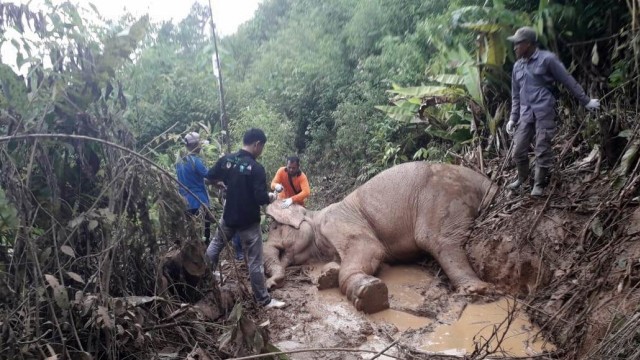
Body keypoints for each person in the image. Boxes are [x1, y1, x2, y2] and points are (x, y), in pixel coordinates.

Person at [505, 26, 600, 196]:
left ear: (528, 44)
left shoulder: (547, 59)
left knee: (542, 148)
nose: (515, 48)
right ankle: (522, 178)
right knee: (518, 150)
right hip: (526, 114)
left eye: (518, 44)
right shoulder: (517, 67)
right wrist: (513, 118)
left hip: (544, 110)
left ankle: (539, 184)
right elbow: (515, 95)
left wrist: (586, 101)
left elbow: (568, 80)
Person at [205, 128, 285, 309]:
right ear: (257, 144)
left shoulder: (227, 160)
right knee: (255, 261)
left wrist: (220, 184)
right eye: (262, 147)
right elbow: (259, 197)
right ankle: (263, 300)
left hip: (229, 216)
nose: (261, 150)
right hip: (249, 221)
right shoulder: (256, 168)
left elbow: (208, 178)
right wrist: (271, 197)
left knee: (215, 246)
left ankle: (204, 280)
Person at [176, 132, 212, 241]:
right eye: (199, 144)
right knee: (205, 233)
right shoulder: (196, 161)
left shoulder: (179, 162)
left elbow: (191, 178)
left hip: (185, 202)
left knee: (192, 234)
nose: (201, 146)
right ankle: (206, 254)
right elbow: (209, 175)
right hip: (199, 201)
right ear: (195, 145)